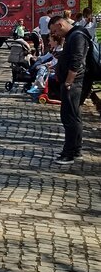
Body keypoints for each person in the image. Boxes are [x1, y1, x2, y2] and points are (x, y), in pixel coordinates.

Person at [48, 13, 93, 166]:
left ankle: (69, 153)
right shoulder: (74, 34)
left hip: (74, 82)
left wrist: (68, 82)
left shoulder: (77, 36)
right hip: (74, 82)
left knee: (69, 117)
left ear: (60, 25)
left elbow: (77, 60)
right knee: (74, 115)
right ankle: (75, 149)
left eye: (55, 31)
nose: (55, 35)